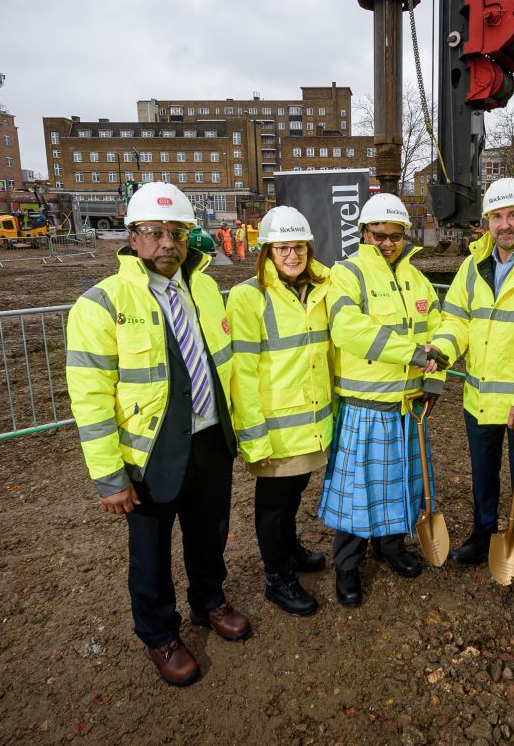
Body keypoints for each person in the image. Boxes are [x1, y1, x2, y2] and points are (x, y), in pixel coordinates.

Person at [65, 182, 250, 689]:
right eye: (154, 232)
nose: (167, 242)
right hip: (150, 454)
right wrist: (109, 476)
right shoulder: (102, 303)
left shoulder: (207, 289)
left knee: (208, 534)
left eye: (177, 232)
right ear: (132, 235)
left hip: (210, 439)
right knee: (150, 551)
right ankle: (159, 634)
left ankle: (208, 601)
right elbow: (90, 397)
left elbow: (226, 365)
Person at [429, 178, 514, 586]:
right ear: (487, 222)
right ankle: (483, 533)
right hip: (479, 398)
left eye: (512, 215)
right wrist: (441, 350)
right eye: (497, 216)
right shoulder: (473, 266)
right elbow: (456, 319)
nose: (504, 224)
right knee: (483, 473)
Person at [319, 193, 446, 607]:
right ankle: (347, 565)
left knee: (399, 483)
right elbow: (346, 329)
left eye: (395, 235)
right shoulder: (347, 274)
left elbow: (438, 330)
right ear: (364, 233)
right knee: (358, 492)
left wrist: (434, 380)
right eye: (379, 235)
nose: (388, 243)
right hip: (365, 405)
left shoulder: (417, 278)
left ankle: (390, 547)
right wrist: (410, 354)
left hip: (408, 403)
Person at [226, 206, 332, 617]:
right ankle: (277, 578)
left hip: (311, 424)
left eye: (299, 247)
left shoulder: (320, 289)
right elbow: (243, 373)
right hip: (274, 428)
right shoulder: (248, 297)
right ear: (267, 252)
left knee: (293, 495)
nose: (292, 255)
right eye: (283, 247)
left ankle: (290, 550)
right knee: (273, 504)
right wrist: (253, 435)